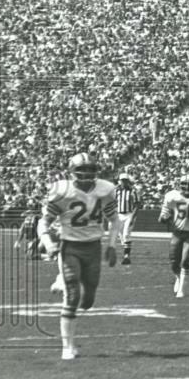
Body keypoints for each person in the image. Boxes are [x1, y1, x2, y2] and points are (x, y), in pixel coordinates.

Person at [37, 153, 119, 360]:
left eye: (90, 170)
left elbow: (114, 220)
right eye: (82, 170)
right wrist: (48, 243)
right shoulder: (62, 191)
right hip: (70, 246)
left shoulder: (105, 189)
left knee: (88, 301)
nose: (86, 174)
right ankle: (67, 347)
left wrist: (111, 245)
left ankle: (61, 282)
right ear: (72, 171)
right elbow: (43, 222)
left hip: (93, 247)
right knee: (73, 297)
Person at [114, 173, 140, 264]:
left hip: (129, 214)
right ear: (120, 181)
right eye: (122, 180)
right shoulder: (116, 190)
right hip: (119, 215)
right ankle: (126, 252)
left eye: (125, 180)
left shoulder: (133, 191)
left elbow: (137, 204)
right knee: (121, 236)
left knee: (126, 234)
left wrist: (133, 216)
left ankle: (126, 256)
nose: (124, 182)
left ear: (128, 181)